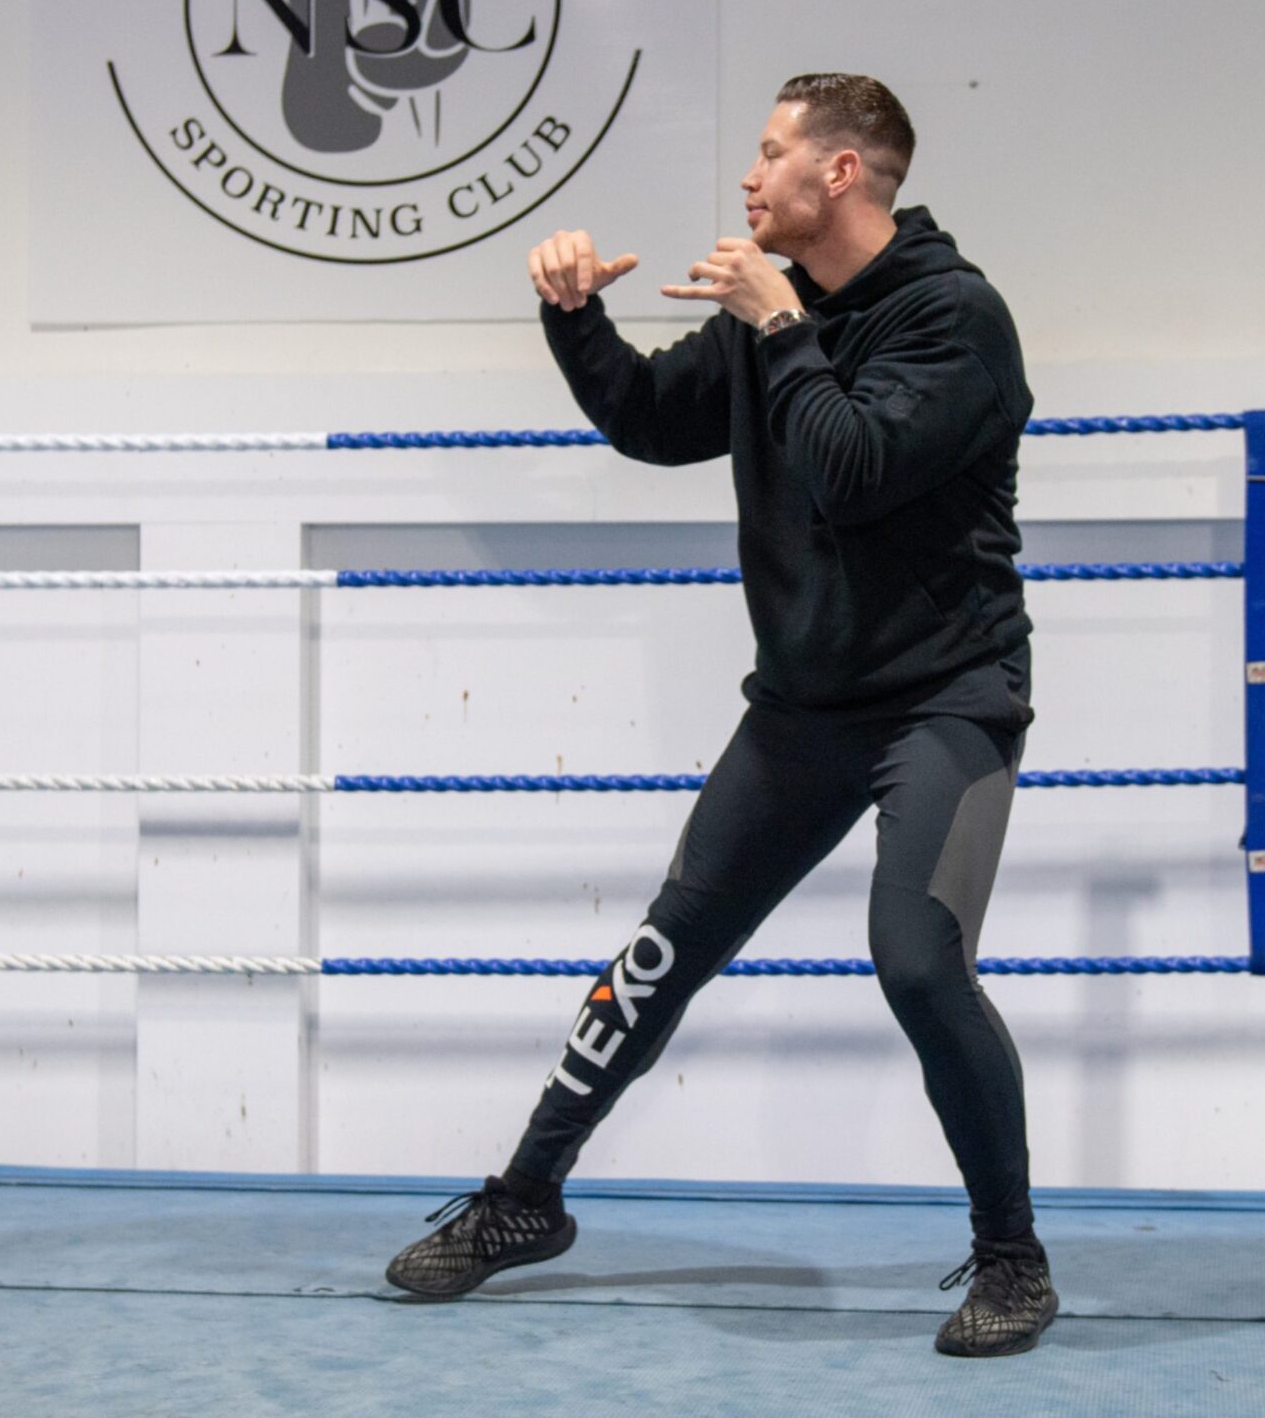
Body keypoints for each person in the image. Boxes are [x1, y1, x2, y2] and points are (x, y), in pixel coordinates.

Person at [382, 74, 1052, 1358]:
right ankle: (523, 1201)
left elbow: (852, 471)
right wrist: (572, 315)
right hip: (804, 707)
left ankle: (1012, 1258)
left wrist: (782, 321)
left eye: (770, 153)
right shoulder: (766, 315)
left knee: (918, 962)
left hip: (946, 704)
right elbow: (646, 418)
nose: (749, 181)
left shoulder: (956, 318)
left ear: (842, 173)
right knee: (661, 951)